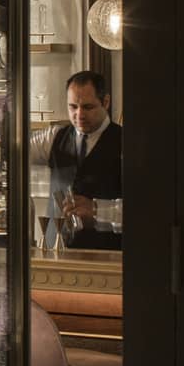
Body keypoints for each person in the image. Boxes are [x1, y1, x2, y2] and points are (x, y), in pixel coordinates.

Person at [29, 70, 122, 250]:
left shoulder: (126, 143)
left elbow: (145, 212)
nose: (79, 114)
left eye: (88, 107)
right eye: (72, 107)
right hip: (55, 254)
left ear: (106, 102)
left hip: (106, 258)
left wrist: (97, 210)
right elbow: (14, 152)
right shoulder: (53, 137)